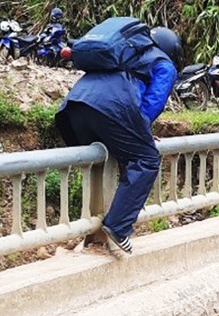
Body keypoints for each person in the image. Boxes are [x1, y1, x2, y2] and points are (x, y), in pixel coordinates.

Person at [54, 25, 182, 254]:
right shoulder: (163, 63)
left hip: (73, 108)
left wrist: (136, 133)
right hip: (112, 109)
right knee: (146, 160)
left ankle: (92, 231)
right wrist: (141, 132)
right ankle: (118, 227)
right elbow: (153, 103)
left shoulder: (125, 53)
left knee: (105, 159)